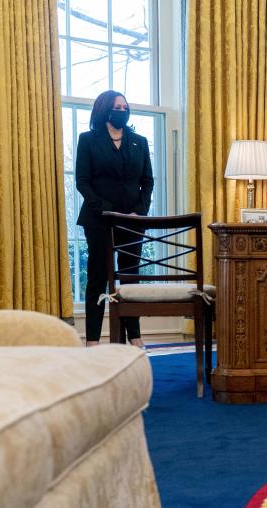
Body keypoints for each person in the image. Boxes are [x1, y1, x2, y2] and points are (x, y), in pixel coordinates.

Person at [75, 90, 153, 347]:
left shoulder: (139, 142)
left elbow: (147, 182)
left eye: (125, 106)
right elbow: (83, 182)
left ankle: (135, 337)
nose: (122, 109)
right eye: (117, 106)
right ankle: (93, 340)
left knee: (131, 278)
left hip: (132, 221)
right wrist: (106, 209)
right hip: (99, 220)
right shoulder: (87, 140)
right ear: (105, 110)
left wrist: (139, 212)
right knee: (98, 277)